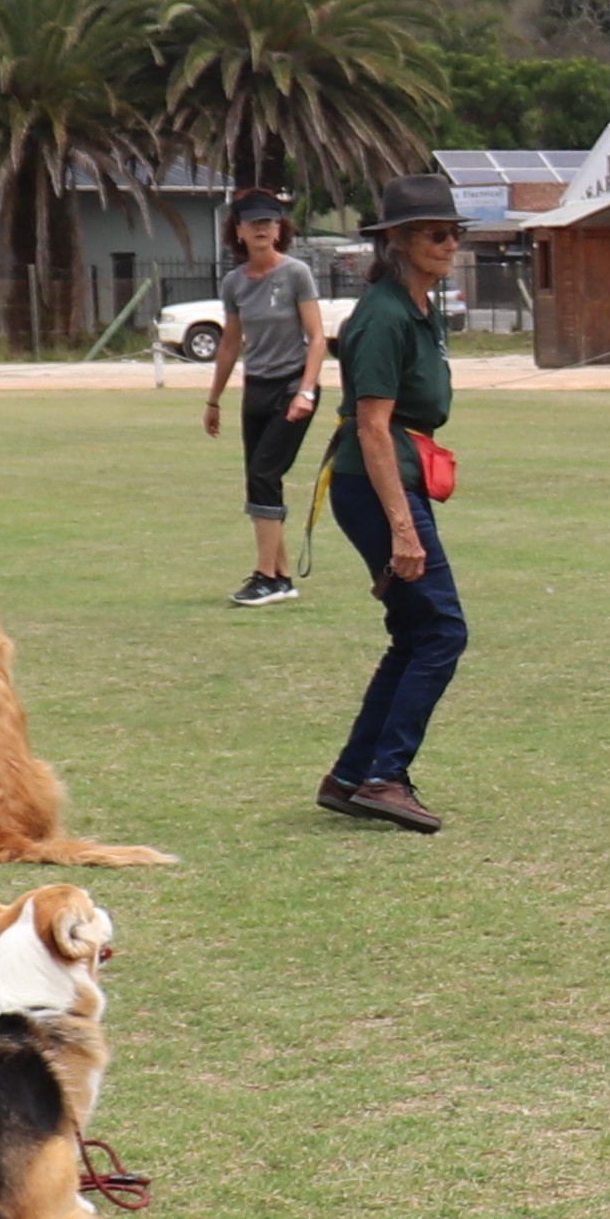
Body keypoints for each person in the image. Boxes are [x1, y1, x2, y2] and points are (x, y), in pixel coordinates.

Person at [312, 174, 470, 835]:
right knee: (441, 631)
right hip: (376, 484)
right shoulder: (382, 315)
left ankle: (352, 776)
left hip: (394, 477)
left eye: (455, 232)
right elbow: (373, 427)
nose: (450, 243)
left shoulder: (418, 308)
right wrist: (403, 530)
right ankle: (385, 777)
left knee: (415, 630)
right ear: (399, 241)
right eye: (436, 233)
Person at [202, 190, 321, 607]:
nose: (262, 228)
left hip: (292, 385)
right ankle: (282, 577)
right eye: (253, 222)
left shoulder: (296, 273)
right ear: (237, 231)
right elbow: (230, 344)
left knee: (265, 474)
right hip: (257, 387)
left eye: (269, 222)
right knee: (258, 479)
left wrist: (306, 391)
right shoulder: (234, 283)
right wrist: (213, 400)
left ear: (279, 228)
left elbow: (317, 338)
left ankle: (265, 576)